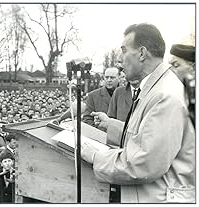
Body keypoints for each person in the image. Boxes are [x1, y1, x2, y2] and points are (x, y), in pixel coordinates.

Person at [81, 23, 195, 203]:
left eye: (124, 51)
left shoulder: (164, 95)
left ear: (142, 53)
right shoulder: (154, 89)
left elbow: (143, 164)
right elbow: (140, 138)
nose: (120, 60)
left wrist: (95, 156)